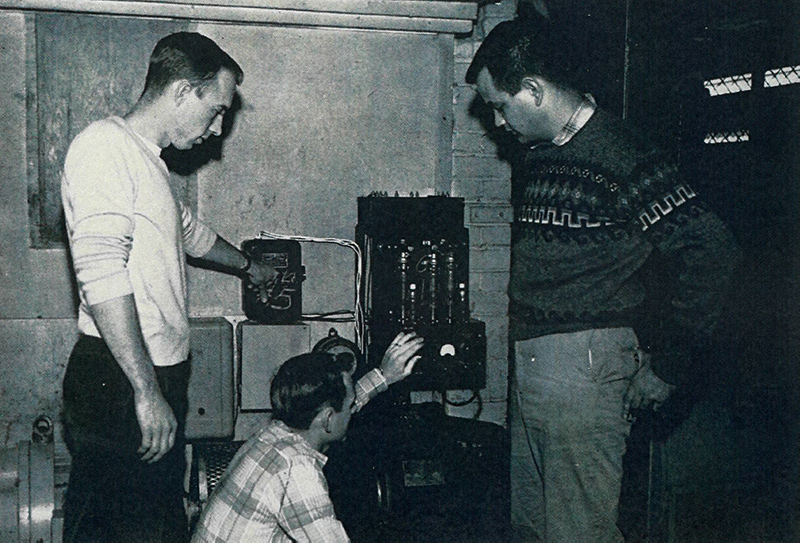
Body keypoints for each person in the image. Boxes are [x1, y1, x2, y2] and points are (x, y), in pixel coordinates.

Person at [465, 18, 741, 542]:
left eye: (501, 106)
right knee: (532, 526)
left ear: (533, 90)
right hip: (532, 362)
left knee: (578, 531)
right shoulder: (543, 153)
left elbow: (712, 248)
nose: (498, 123)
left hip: (584, 368)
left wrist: (671, 362)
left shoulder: (625, 155)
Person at [60, 32, 278, 542]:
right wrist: (144, 390)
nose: (218, 127)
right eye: (216, 110)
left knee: (157, 525)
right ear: (182, 91)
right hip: (119, 379)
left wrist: (250, 267)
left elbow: (190, 235)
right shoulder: (103, 147)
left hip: (150, 377)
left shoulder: (146, 160)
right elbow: (100, 272)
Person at [191, 331, 423, 542]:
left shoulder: (274, 434)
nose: (352, 410)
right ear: (328, 419)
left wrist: (384, 375)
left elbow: (335, 408)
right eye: (350, 405)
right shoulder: (297, 471)